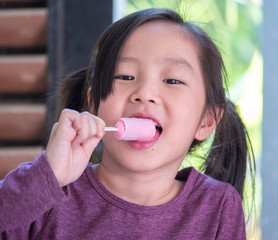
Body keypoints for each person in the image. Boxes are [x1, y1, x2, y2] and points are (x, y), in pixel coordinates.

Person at [0, 8, 255, 239]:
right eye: (125, 76)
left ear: (206, 120)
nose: (144, 93)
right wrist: (48, 176)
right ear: (93, 105)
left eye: (173, 81)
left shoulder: (218, 206)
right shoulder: (47, 194)